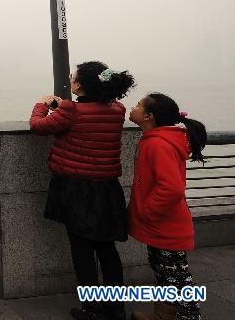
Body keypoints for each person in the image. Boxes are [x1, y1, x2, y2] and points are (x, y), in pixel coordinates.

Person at [30, 61, 136, 320]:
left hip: (76, 189)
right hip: (107, 189)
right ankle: (116, 308)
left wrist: (44, 104)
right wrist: (62, 107)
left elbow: (38, 126)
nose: (71, 79)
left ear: (80, 85)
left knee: (82, 250)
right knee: (107, 249)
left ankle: (92, 308)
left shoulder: (70, 110)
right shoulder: (117, 109)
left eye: (73, 77)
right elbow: (88, 115)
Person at [128, 94, 206, 320]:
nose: (133, 107)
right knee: (164, 275)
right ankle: (163, 316)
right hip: (160, 225)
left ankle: (188, 317)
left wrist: (146, 211)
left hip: (165, 226)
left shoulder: (159, 144)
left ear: (149, 117)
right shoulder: (154, 139)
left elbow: (171, 189)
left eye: (138, 105)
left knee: (178, 281)